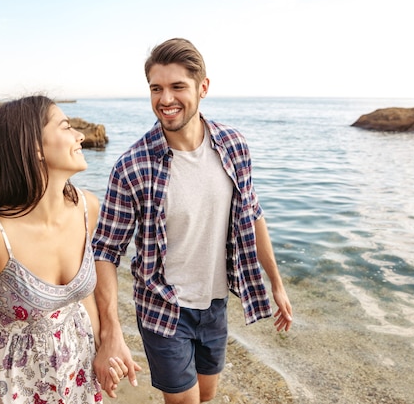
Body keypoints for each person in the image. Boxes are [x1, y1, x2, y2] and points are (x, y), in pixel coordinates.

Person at [92, 38, 294, 403]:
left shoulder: (234, 145)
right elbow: (105, 251)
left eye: (177, 87)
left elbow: (252, 214)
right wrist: (110, 331)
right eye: (156, 88)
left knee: (206, 397)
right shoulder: (132, 166)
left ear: (203, 88)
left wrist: (276, 283)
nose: (165, 99)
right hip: (163, 307)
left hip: (215, 304)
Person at [0, 95, 129, 404]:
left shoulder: (87, 208)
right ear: (35, 147)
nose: (80, 136)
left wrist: (105, 347)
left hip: (78, 379)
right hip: (14, 386)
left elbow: (83, 295)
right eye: (67, 127)